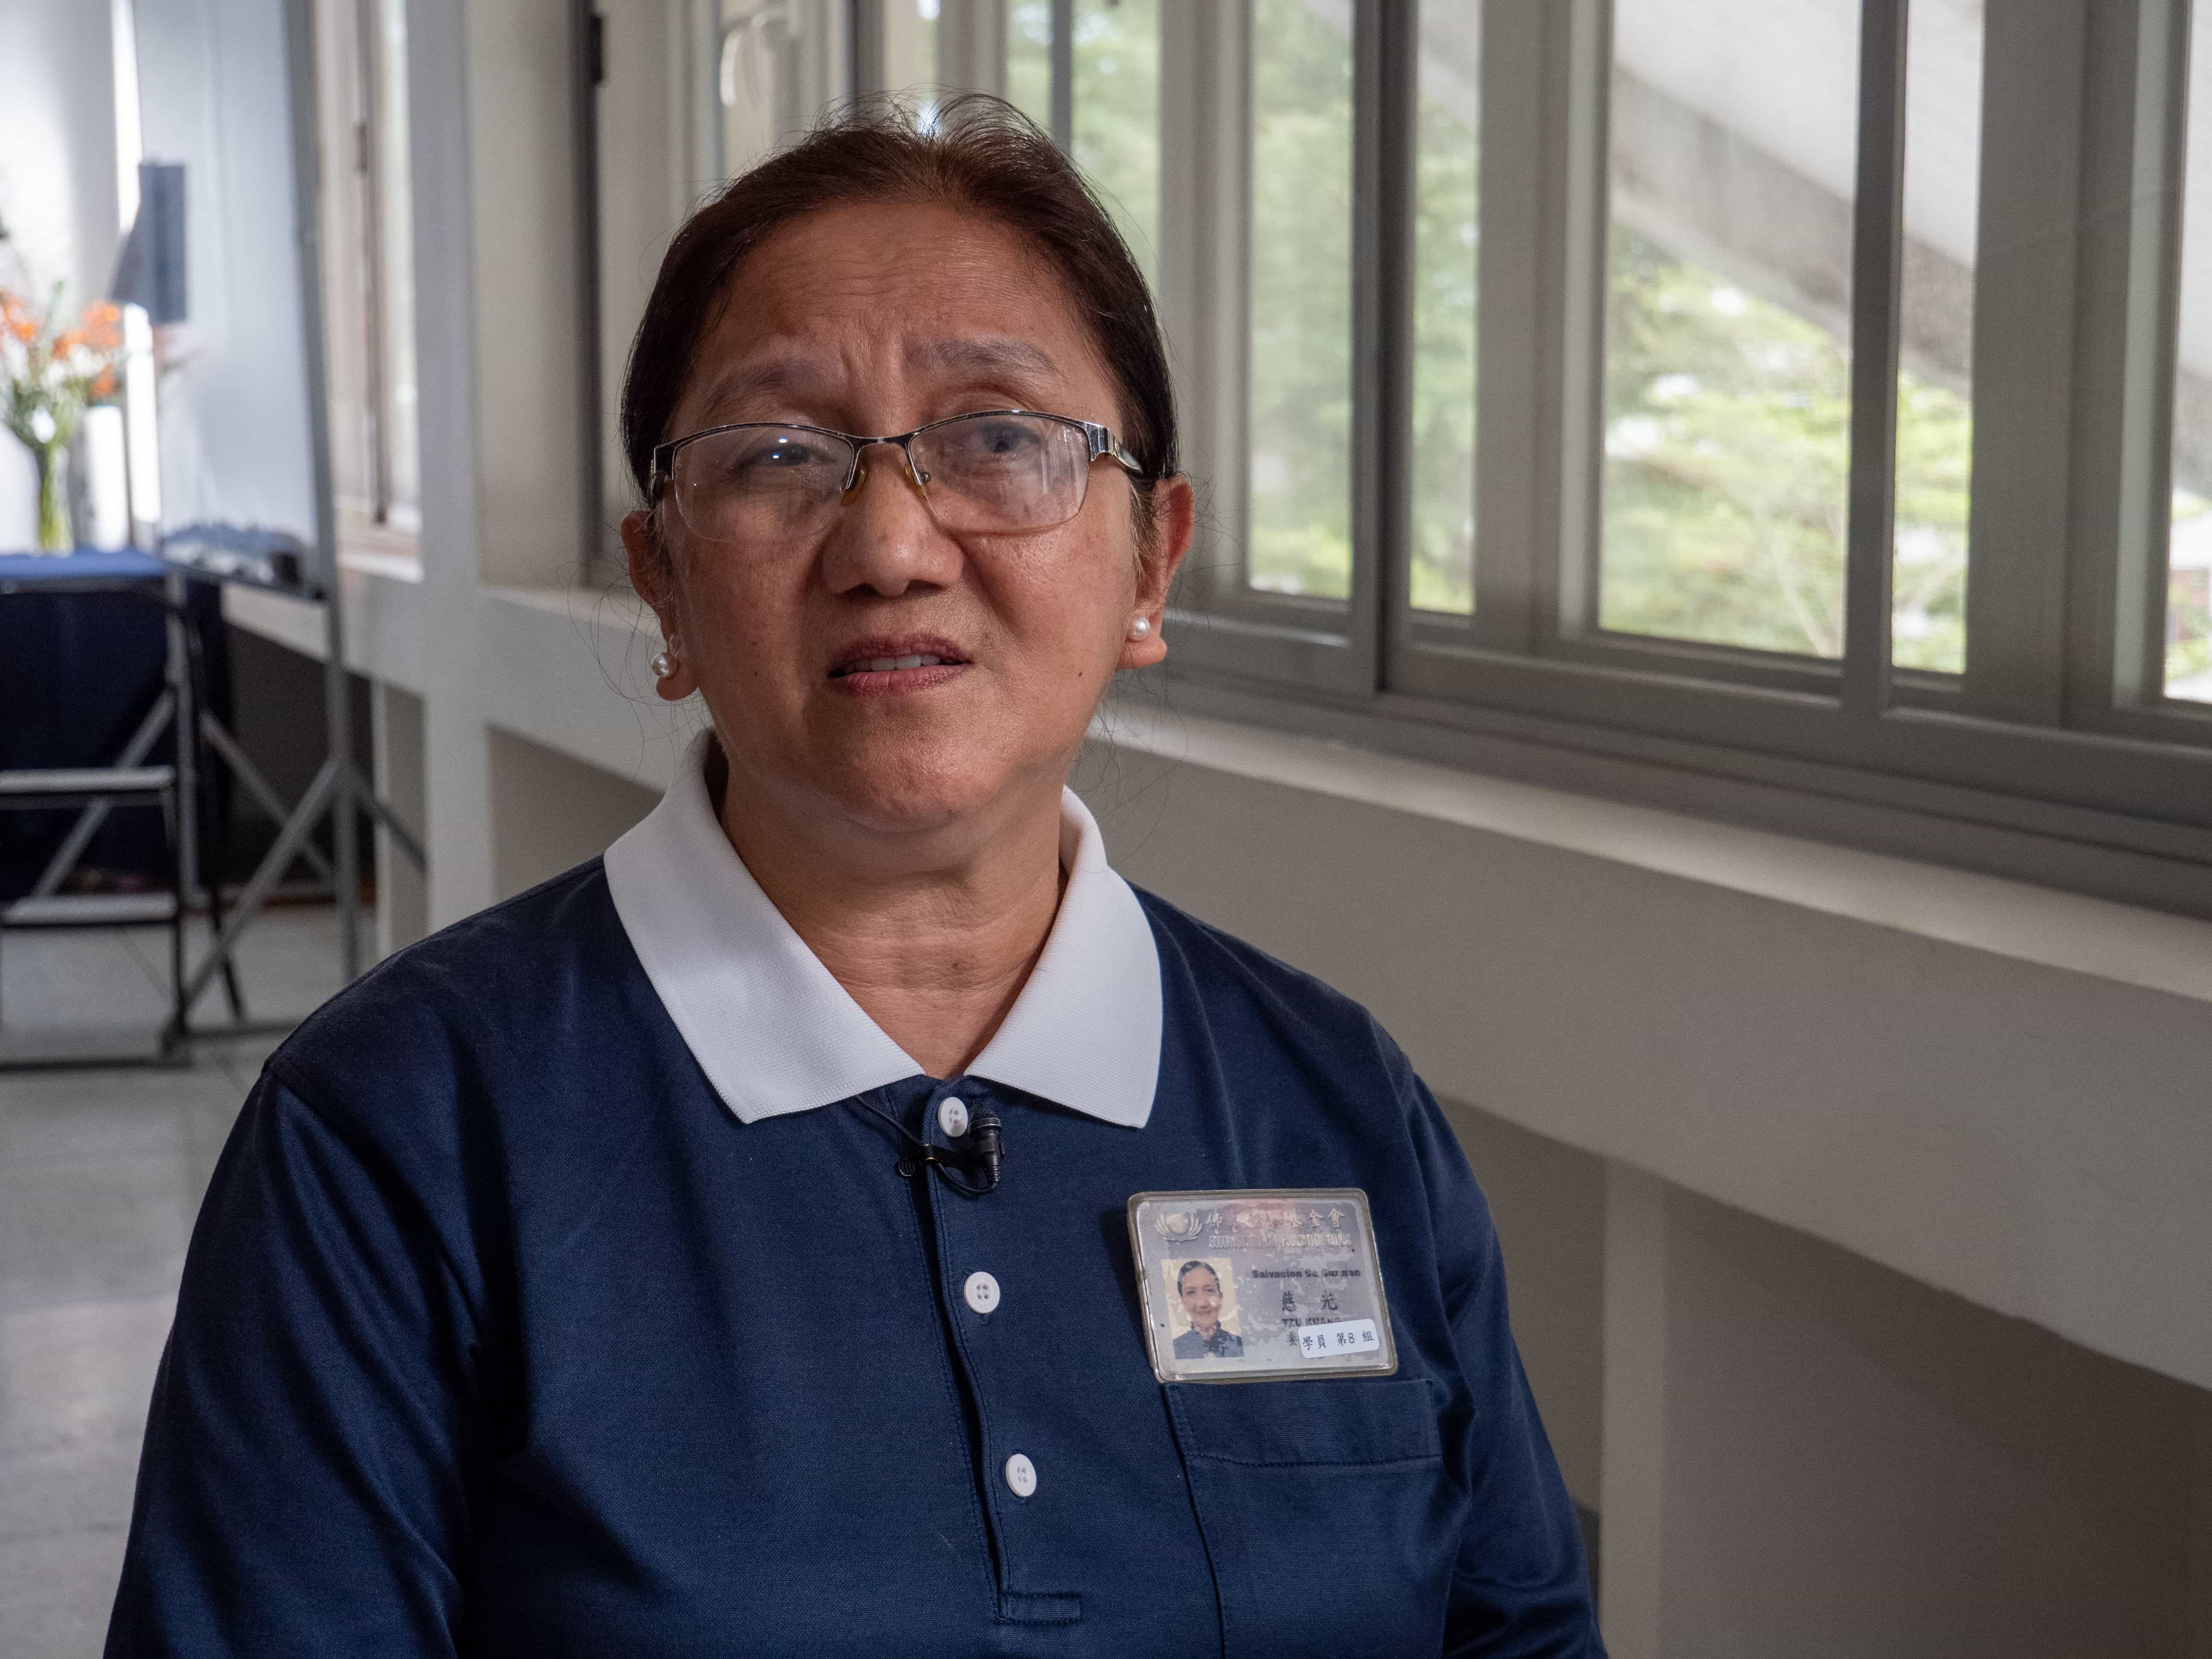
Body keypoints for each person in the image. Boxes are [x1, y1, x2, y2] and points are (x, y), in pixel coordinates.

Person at [105, 97, 1603, 1656]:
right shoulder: (400, 1127)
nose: (890, 540)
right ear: (666, 584)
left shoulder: (1332, 1094)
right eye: (777, 456)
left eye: (1002, 439)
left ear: (1152, 562)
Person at [1171, 1260, 1243, 1360]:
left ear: (1220, 1297)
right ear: (1184, 1302)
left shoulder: (1242, 1346)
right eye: (1191, 1293)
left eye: (1209, 1291)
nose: (1202, 1303)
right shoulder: (1174, 1350)